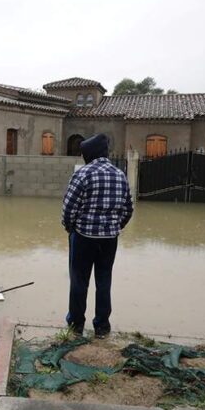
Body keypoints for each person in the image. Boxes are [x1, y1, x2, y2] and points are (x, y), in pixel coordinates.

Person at [61, 134, 133, 339]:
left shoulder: (83, 174)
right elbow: (128, 209)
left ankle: (76, 325)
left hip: (84, 237)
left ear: (89, 154)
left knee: (78, 281)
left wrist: (70, 228)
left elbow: (68, 210)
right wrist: (115, 227)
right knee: (104, 281)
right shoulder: (120, 175)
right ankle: (102, 327)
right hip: (110, 240)